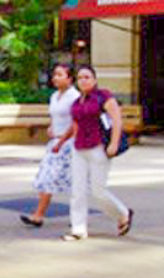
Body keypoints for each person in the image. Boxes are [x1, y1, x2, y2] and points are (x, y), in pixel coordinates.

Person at [61, 65, 133, 241]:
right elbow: (76, 125)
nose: (83, 80)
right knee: (77, 191)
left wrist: (114, 143)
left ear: (94, 79)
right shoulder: (77, 102)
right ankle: (78, 229)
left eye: (87, 77)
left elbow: (116, 120)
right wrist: (62, 142)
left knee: (98, 190)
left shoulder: (104, 96)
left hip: (98, 147)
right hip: (79, 148)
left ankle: (122, 213)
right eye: (80, 78)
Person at [20, 64, 80, 227]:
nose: (55, 78)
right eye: (54, 75)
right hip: (55, 142)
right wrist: (51, 128)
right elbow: (56, 117)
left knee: (63, 180)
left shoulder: (75, 97)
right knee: (48, 178)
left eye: (60, 75)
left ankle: (39, 215)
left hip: (68, 144)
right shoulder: (54, 96)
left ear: (70, 78)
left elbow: (76, 123)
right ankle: (40, 215)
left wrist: (61, 141)